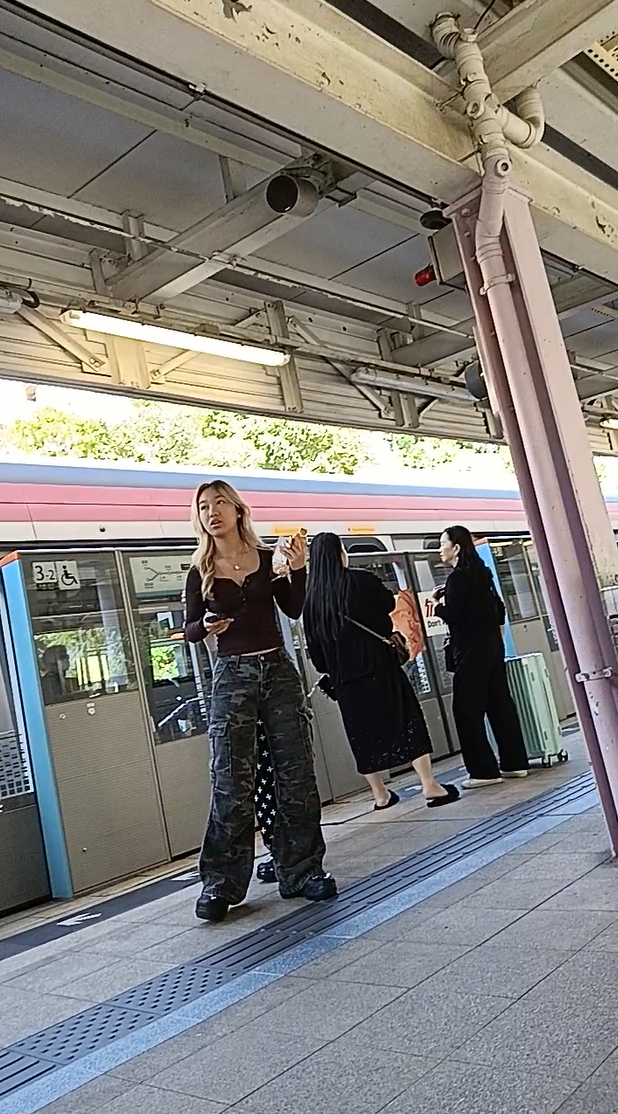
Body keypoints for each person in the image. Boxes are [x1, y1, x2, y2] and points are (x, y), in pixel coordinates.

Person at [184, 479, 336, 923]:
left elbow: (293, 607)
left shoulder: (268, 559)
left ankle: (303, 871)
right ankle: (221, 884)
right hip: (231, 675)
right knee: (231, 777)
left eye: (219, 504)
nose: (212, 512)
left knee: (296, 770)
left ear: (237, 510)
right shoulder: (199, 571)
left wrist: (299, 569)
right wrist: (205, 626)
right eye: (203, 507)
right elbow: (190, 628)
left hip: (277, 670)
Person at [303, 533, 459, 809]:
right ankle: (429, 785)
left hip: (345, 680)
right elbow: (388, 604)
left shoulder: (311, 602)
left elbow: (316, 653)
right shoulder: (361, 580)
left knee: (362, 735)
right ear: (340, 554)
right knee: (406, 720)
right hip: (380, 667)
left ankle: (380, 794)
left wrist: (334, 668)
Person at [434, 525, 529, 789]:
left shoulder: (458, 578)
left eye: (443, 543)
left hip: (470, 651)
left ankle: (483, 772)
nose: (440, 549)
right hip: (493, 647)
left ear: (456, 548)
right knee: (500, 705)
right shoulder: (482, 573)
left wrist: (437, 605)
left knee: (465, 711)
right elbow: (498, 610)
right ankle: (514, 763)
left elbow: (453, 615)